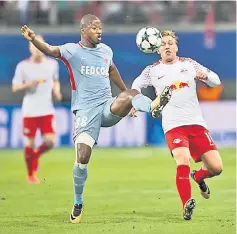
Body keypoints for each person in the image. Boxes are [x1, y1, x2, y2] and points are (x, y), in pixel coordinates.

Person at [20, 14, 170, 223]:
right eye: (94, 28)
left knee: (131, 95)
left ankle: (152, 107)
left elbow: (112, 69)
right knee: (82, 158)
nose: (99, 31)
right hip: (85, 112)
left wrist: (126, 94)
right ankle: (78, 202)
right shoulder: (72, 51)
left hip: (107, 107)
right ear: (83, 30)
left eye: (100, 28)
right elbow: (50, 50)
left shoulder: (106, 51)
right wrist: (34, 39)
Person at [131, 30, 223, 220]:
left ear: (176, 46)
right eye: (163, 43)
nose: (167, 46)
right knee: (182, 160)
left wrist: (204, 76)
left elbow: (216, 81)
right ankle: (186, 205)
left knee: (216, 168)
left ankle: (198, 177)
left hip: (197, 124)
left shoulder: (189, 64)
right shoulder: (152, 70)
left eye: (170, 43)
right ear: (157, 49)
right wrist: (135, 101)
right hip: (173, 126)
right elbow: (136, 85)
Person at [12, 35, 62, 184]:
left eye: (39, 45)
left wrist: (57, 91)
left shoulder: (52, 64)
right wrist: (28, 84)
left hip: (46, 109)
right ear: (30, 48)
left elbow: (55, 80)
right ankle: (30, 174)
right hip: (30, 110)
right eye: (34, 46)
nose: (37, 49)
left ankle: (35, 156)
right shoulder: (23, 66)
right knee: (30, 143)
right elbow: (15, 87)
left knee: (50, 142)